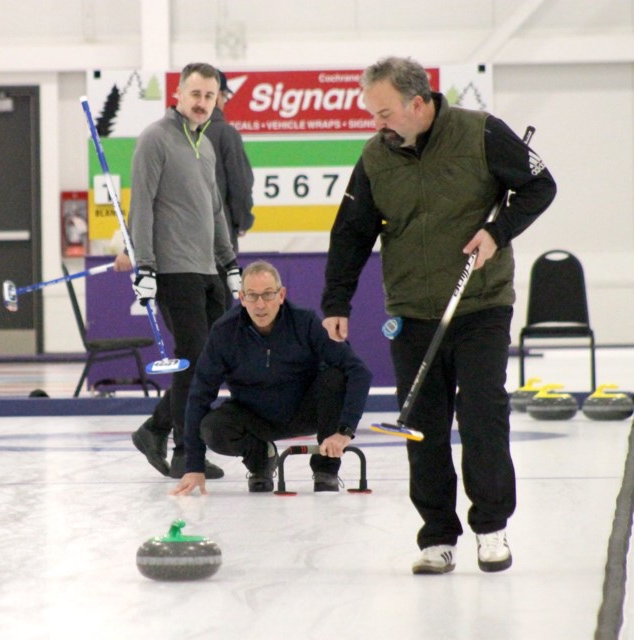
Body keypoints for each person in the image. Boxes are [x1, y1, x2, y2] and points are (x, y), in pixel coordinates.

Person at [321, 56, 556, 575]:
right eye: (372, 114)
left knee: (481, 415)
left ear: (419, 104)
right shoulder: (376, 156)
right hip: (411, 310)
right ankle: (436, 537)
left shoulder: (482, 133)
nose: (376, 124)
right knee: (421, 426)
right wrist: (337, 300)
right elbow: (352, 231)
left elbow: (542, 185)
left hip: (480, 303)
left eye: (384, 113)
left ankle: (491, 527)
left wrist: (499, 232)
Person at [115, 62, 240, 480]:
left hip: (208, 270)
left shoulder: (205, 145)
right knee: (192, 361)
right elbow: (142, 206)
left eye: (210, 95)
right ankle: (189, 454)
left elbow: (215, 210)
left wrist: (230, 263)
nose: (202, 102)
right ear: (179, 95)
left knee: (210, 363)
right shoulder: (156, 139)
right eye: (196, 94)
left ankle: (155, 429)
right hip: (174, 271)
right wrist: (146, 266)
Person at [169, 261, 372, 496]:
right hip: (255, 418)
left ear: (281, 294)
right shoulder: (224, 332)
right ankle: (261, 461)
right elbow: (199, 396)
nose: (261, 304)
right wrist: (194, 467)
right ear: (242, 297)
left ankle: (326, 469)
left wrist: (344, 431)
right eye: (253, 296)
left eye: (268, 294)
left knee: (335, 377)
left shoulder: (305, 322)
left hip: (306, 411)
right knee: (213, 428)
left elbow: (359, 371)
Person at [203, 70, 255, 256]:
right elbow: (239, 184)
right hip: (218, 239)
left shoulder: (171, 134)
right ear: (216, 95)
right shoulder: (225, 134)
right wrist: (243, 221)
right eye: (225, 96)